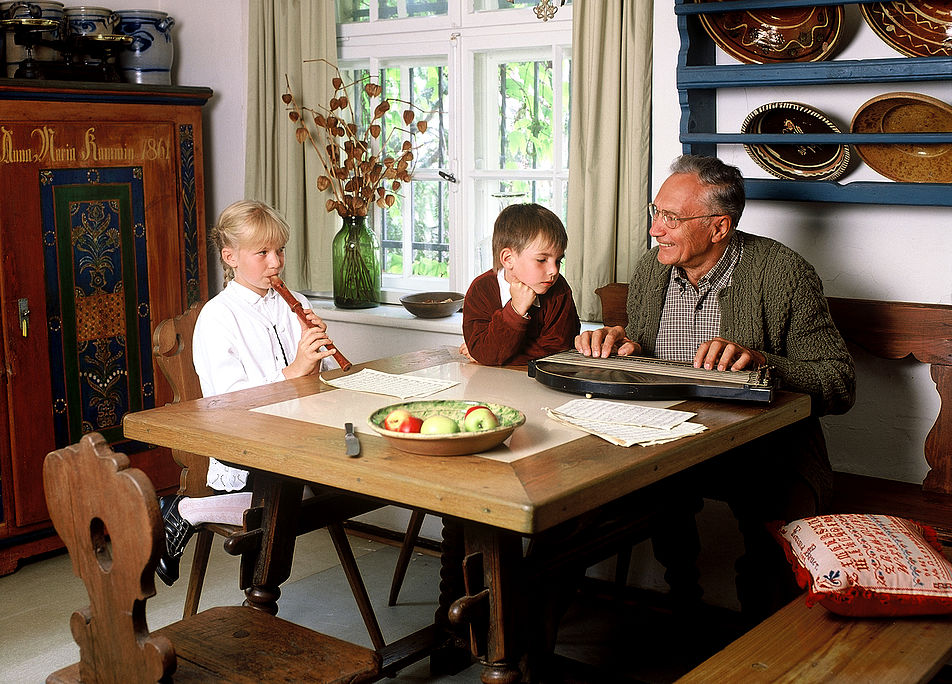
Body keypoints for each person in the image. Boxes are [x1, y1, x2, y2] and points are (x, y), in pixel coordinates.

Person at [576, 154, 855, 622]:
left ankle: (757, 652)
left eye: (670, 218)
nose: (655, 229)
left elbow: (839, 383)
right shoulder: (653, 270)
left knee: (771, 558)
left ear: (719, 227)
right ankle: (679, 615)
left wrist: (763, 361)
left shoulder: (783, 273)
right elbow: (646, 352)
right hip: (665, 442)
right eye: (655, 212)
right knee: (581, 506)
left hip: (761, 449)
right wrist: (624, 343)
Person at [156, 200, 339, 586]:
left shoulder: (296, 304)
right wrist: (294, 370)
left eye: (280, 251)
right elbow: (230, 402)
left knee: (339, 484)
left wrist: (317, 358)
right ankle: (187, 509)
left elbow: (310, 387)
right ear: (231, 257)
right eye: (263, 253)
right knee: (302, 499)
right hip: (243, 437)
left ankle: (188, 511)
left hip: (295, 431)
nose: (275, 263)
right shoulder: (219, 316)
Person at [461, 202, 580, 365]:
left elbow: (559, 350)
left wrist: (491, 356)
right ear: (508, 259)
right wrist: (515, 310)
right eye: (542, 260)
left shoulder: (559, 289)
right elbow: (485, 352)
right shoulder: (480, 290)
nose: (554, 270)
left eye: (558, 260)